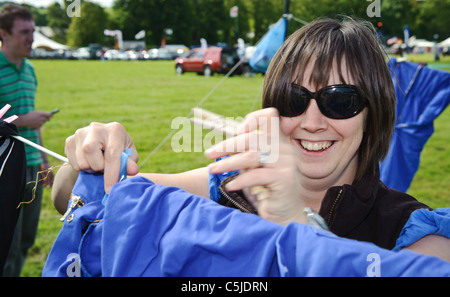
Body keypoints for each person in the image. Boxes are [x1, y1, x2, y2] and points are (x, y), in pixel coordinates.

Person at [52, 17, 449, 262]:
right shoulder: (228, 187)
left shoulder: (415, 237)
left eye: (340, 101)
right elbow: (71, 196)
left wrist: (293, 221)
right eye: (294, 99)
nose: (311, 122)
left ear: (373, 113)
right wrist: (92, 156)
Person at [0, 4, 54, 276]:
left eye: (33, 31)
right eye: (24, 32)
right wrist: (24, 120)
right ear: (4, 34)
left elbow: (33, 120)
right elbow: (21, 119)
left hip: (32, 165)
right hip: (5, 168)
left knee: (25, 241)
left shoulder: (31, 68)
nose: (31, 38)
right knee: (6, 244)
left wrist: (44, 161)